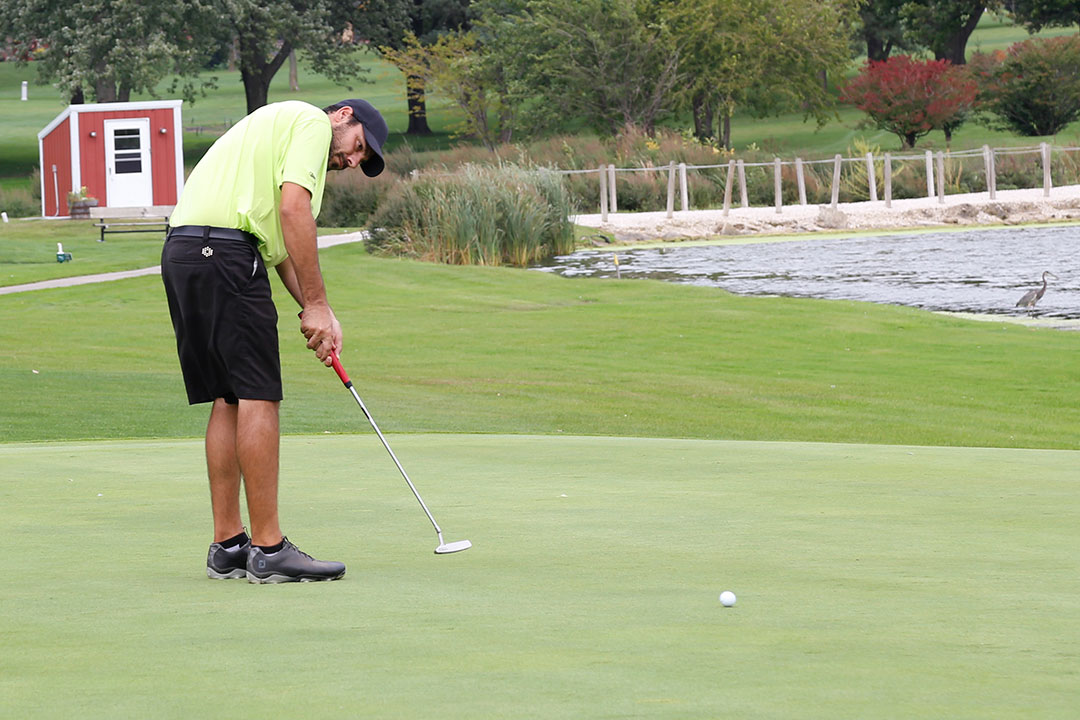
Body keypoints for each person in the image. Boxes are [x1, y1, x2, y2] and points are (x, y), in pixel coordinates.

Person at [161, 99, 388, 583]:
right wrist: (319, 304)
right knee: (258, 396)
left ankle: (228, 546)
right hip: (227, 251)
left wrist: (315, 311)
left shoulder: (277, 132)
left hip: (185, 250)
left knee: (229, 398)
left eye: (360, 160)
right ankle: (268, 549)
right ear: (343, 115)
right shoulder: (312, 123)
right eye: (358, 147)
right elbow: (293, 209)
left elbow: (280, 249)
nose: (351, 161)